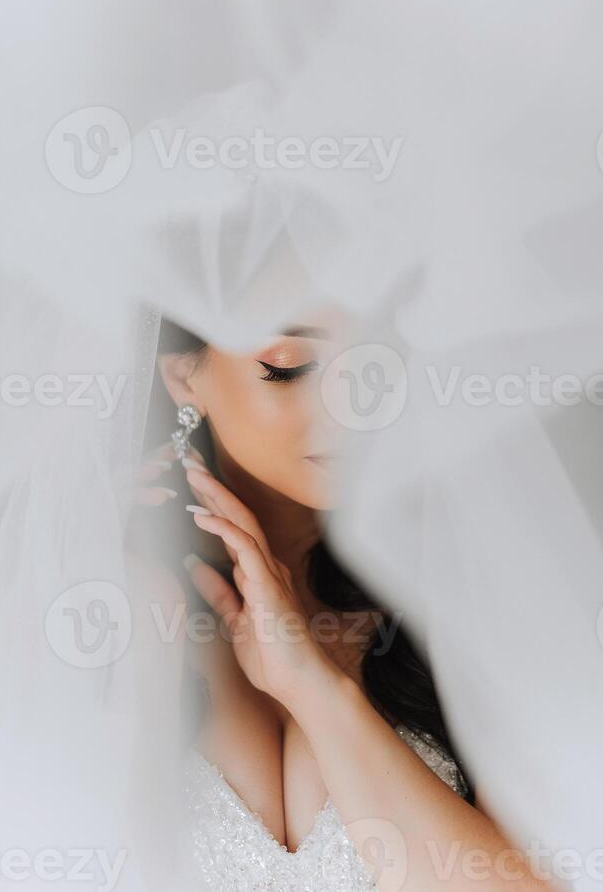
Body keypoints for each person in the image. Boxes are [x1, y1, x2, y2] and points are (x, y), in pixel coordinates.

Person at [138, 310, 549, 892]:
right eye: (294, 367)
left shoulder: (481, 597)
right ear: (183, 378)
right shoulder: (101, 603)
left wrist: (313, 686)